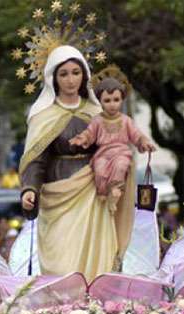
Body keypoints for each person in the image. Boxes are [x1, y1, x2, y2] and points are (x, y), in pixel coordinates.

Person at [19, 45, 134, 280]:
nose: (70, 80)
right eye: (63, 74)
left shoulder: (97, 112)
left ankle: (93, 310)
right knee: (61, 263)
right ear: (53, 78)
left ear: (84, 76)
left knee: (97, 257)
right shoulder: (43, 116)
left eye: (75, 72)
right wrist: (29, 189)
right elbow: (35, 159)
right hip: (58, 193)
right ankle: (64, 311)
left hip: (94, 192)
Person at [69, 76, 156, 212]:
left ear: (122, 100)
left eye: (116, 100)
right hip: (102, 154)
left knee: (121, 165)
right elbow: (89, 133)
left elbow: (137, 135)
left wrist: (144, 142)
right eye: (107, 101)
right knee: (99, 170)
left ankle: (115, 192)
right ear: (101, 102)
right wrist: (82, 139)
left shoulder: (126, 120)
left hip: (121, 153)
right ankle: (103, 193)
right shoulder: (97, 120)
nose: (112, 104)